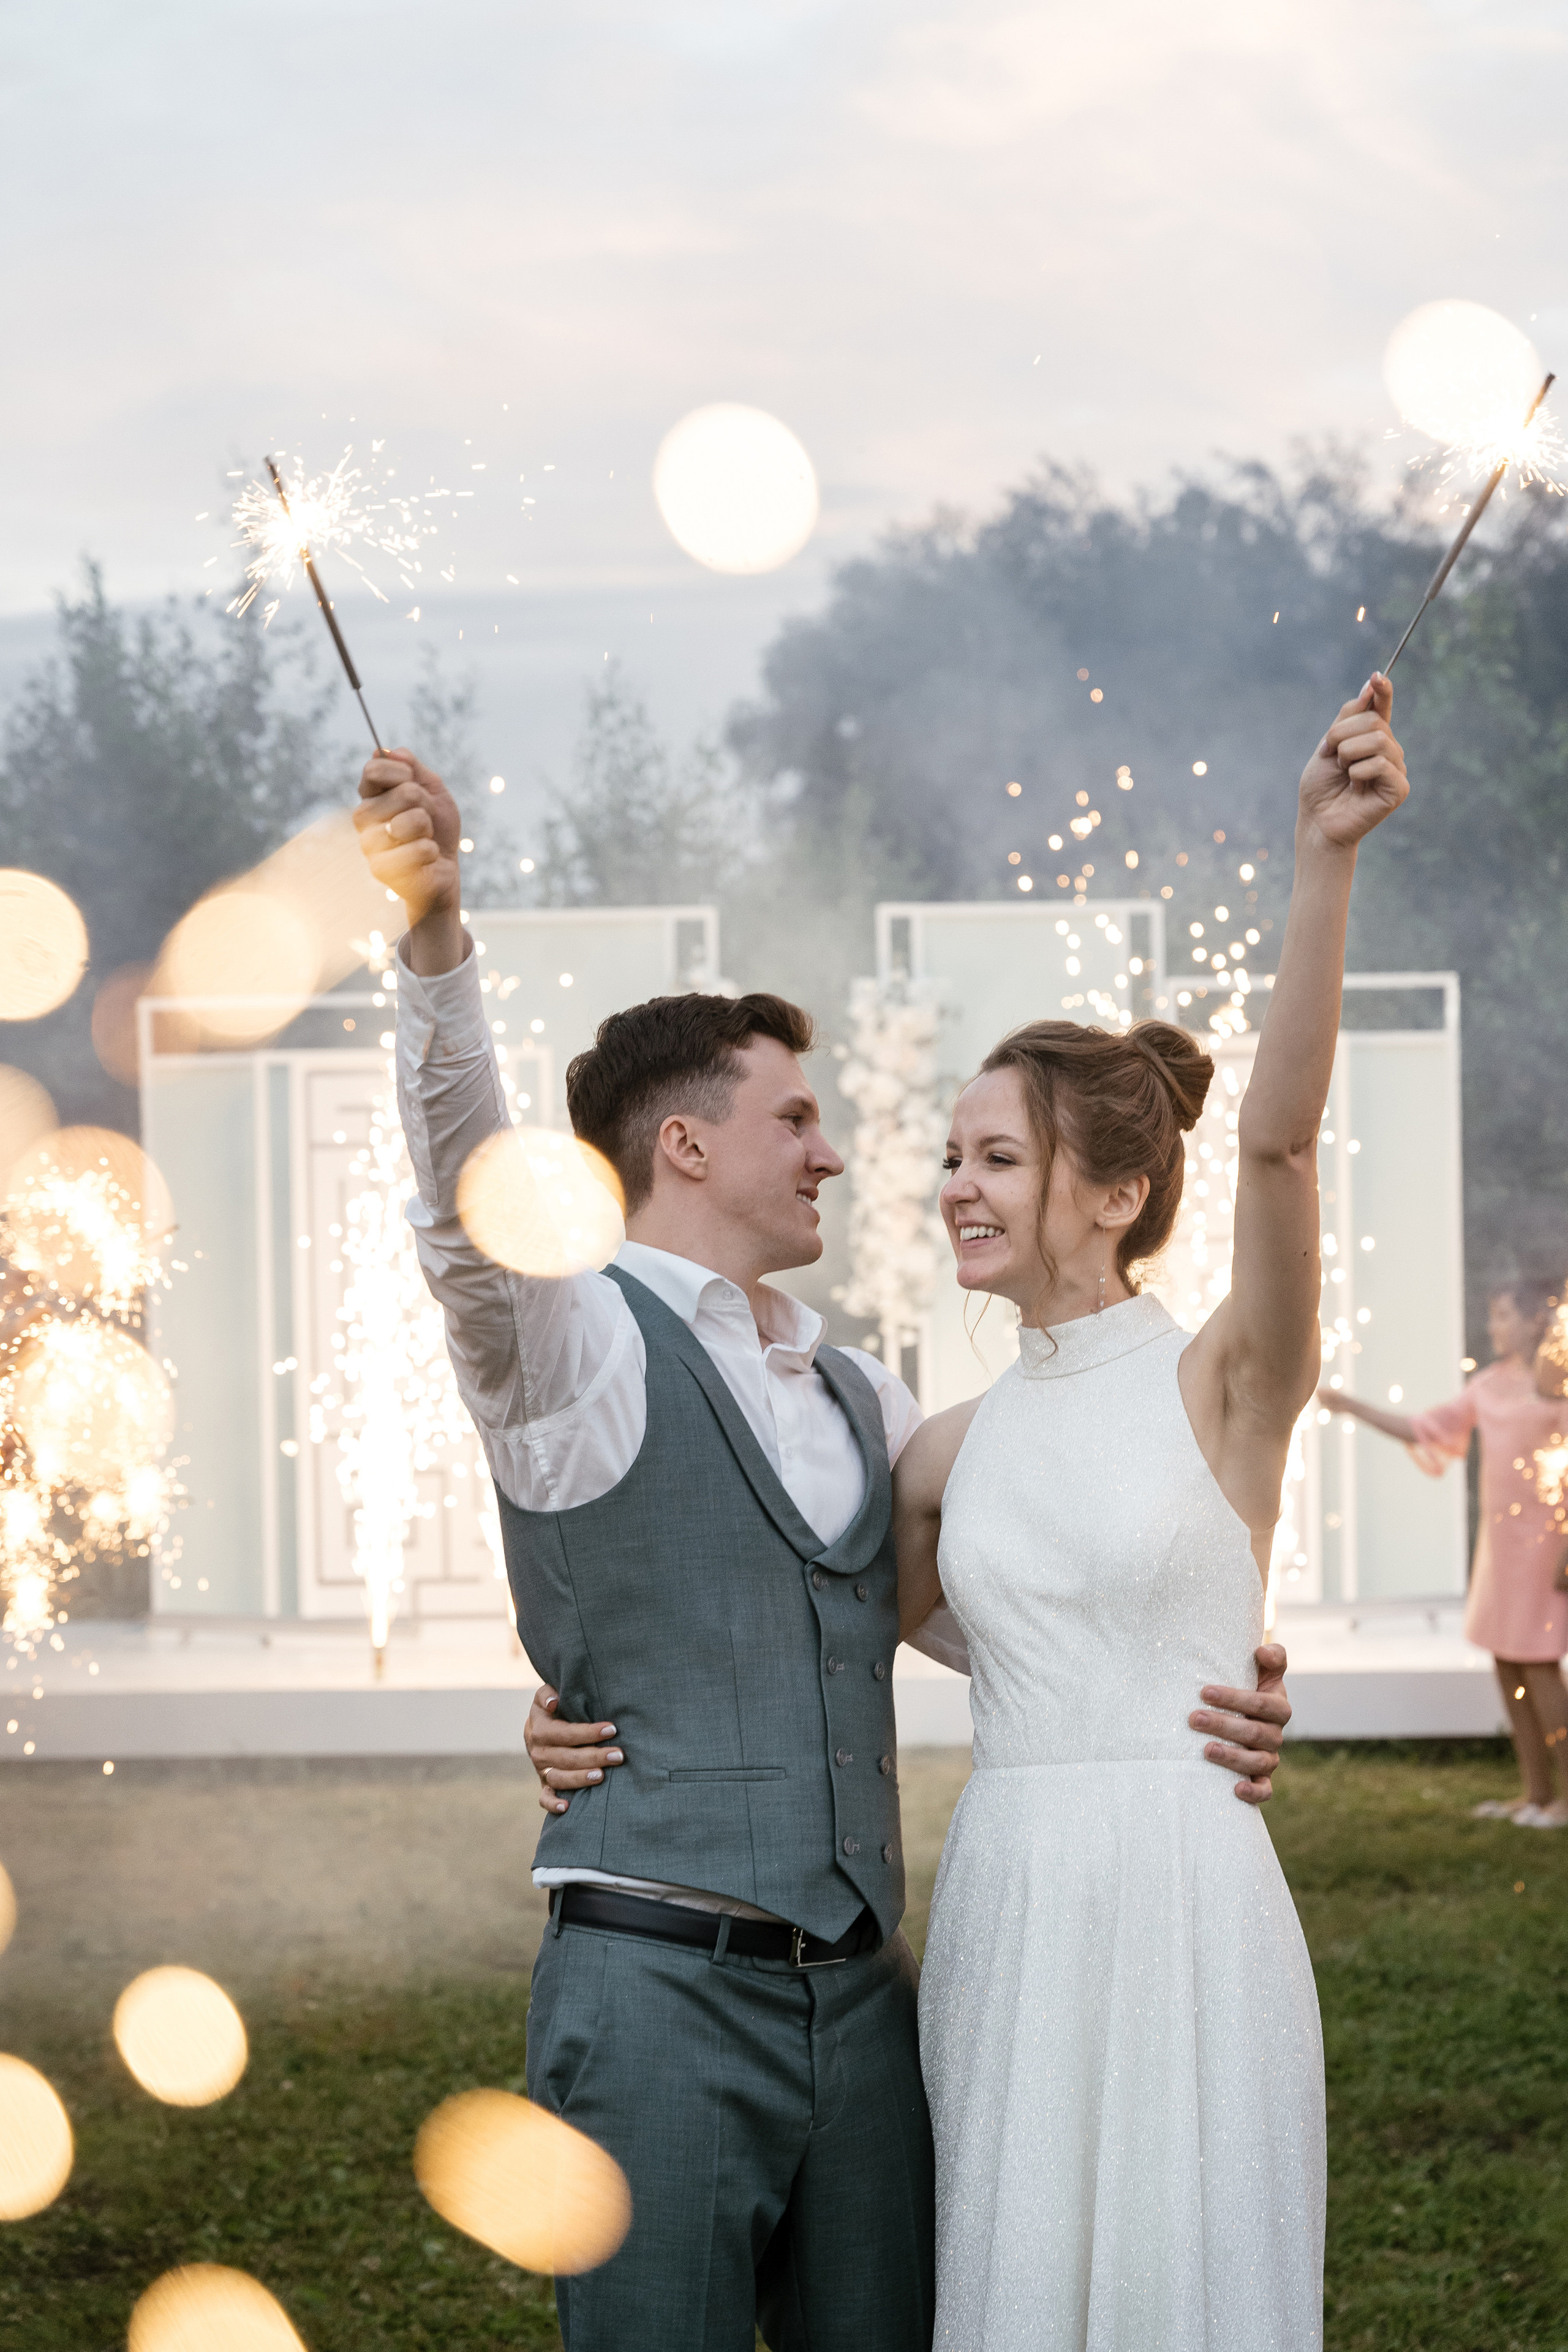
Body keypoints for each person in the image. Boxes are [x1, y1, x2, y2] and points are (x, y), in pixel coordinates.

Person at [353, 745, 1294, 2352]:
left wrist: (1221, 1678)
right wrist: (436, 934)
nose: (836, 1154)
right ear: (685, 1147)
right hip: (655, 1993)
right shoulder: (562, 1349)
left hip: (870, 2008)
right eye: (795, 1118)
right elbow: (463, 1204)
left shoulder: (868, 1398)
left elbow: (1044, 1595)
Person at [892, 674, 1408, 2350]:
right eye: (951, 1156)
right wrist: (573, 1703)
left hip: (1186, 1903)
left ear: (1114, 1191)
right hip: (1007, 1906)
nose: (954, 1187)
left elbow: (1276, 1151)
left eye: (995, 1157)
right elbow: (813, 1641)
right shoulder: (940, 1456)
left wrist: (1320, 859)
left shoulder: (1226, 1384)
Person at [1322, 1275, 1568, 1828]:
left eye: (1503, 1315)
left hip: (1547, 1550)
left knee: (1540, 1665)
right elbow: (1422, 1428)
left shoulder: (1559, 1387)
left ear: (1536, 1319)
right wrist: (1348, 1405)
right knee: (1508, 1663)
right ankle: (1535, 1794)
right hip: (1501, 1552)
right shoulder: (1488, 1386)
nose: (1493, 1326)